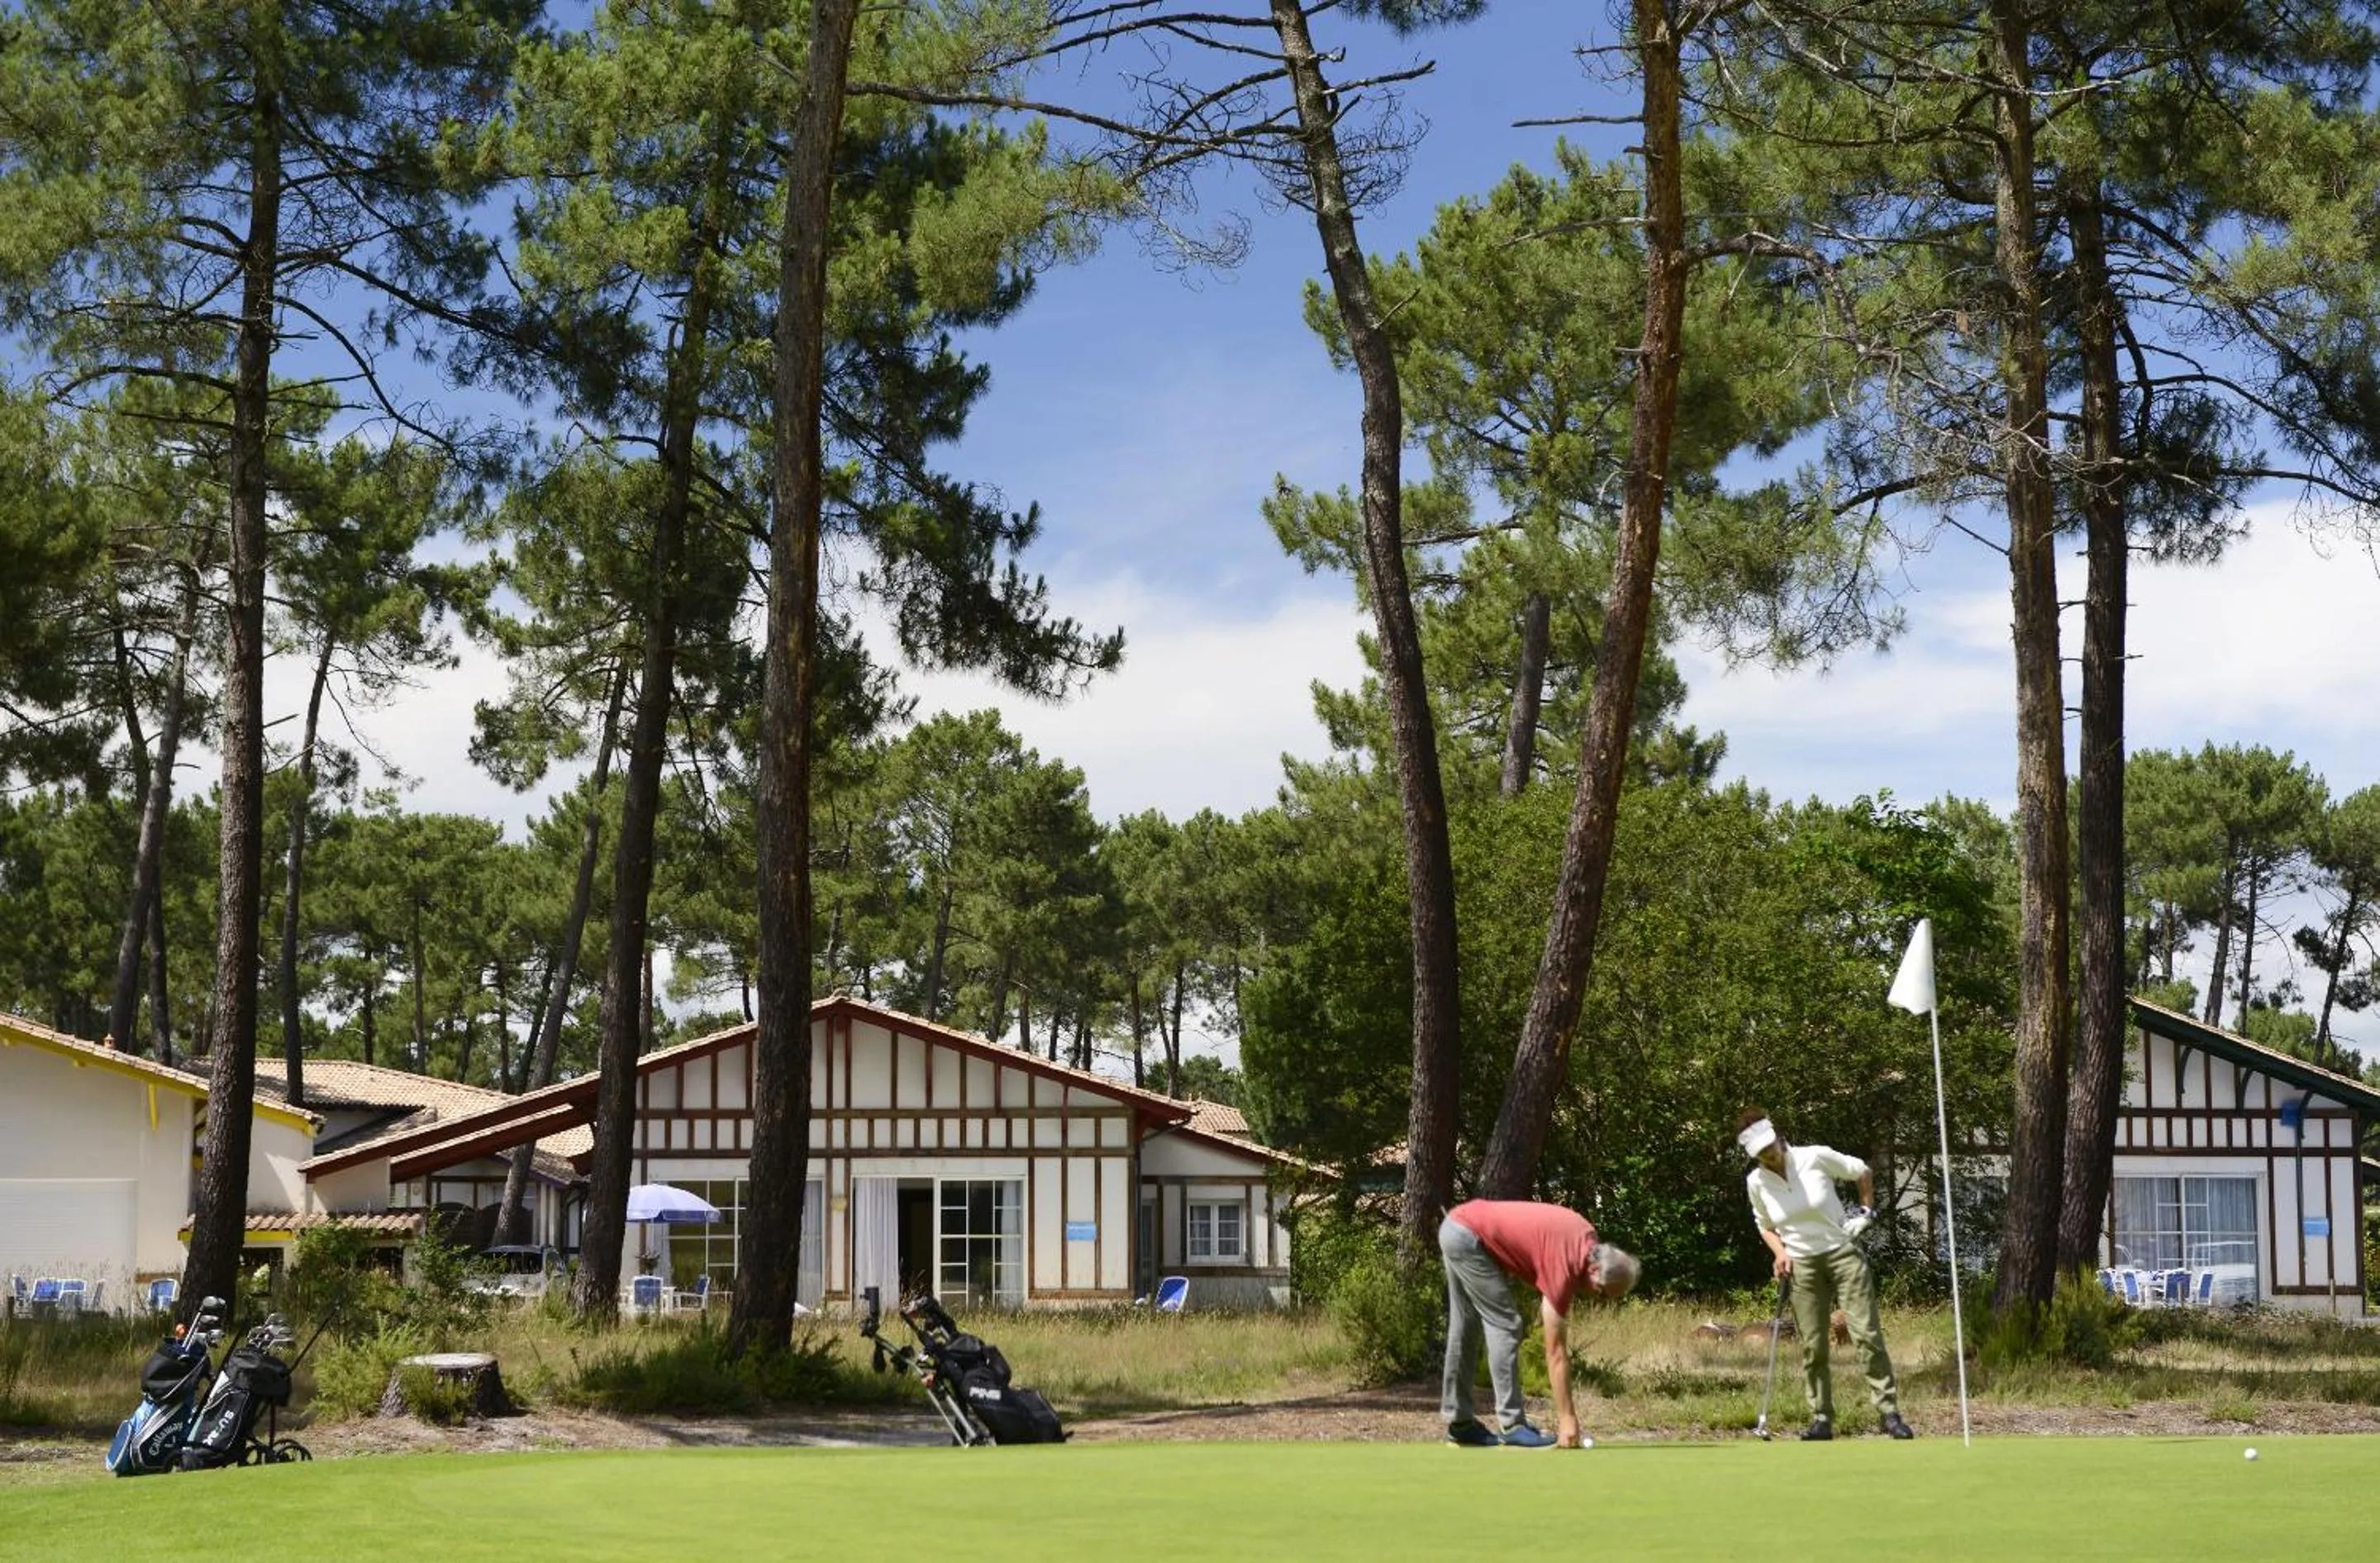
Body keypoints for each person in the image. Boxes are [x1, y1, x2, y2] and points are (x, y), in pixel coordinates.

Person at [1738, 1107, 1914, 1441]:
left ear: (1778, 1139)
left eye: (1770, 1149)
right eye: (1761, 1155)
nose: (1769, 1157)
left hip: (1842, 1251)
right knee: (1813, 1344)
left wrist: (1865, 1211)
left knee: (1866, 1334)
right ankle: (1821, 1418)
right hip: (1802, 1264)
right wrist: (1780, 1252)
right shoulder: (1757, 1182)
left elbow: (1861, 1171)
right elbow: (1765, 1224)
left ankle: (1889, 1413)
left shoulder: (1814, 1157)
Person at [1440, 1198, 1639, 1449]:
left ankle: (1460, 1424)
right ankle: (1512, 1425)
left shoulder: (1585, 1241)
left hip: (1457, 1227)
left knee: (1465, 1326)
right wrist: (1568, 1420)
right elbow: (1555, 1351)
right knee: (1506, 1324)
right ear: (1595, 1271)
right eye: (1601, 1294)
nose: (1597, 1300)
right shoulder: (1565, 1263)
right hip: (1468, 1236)